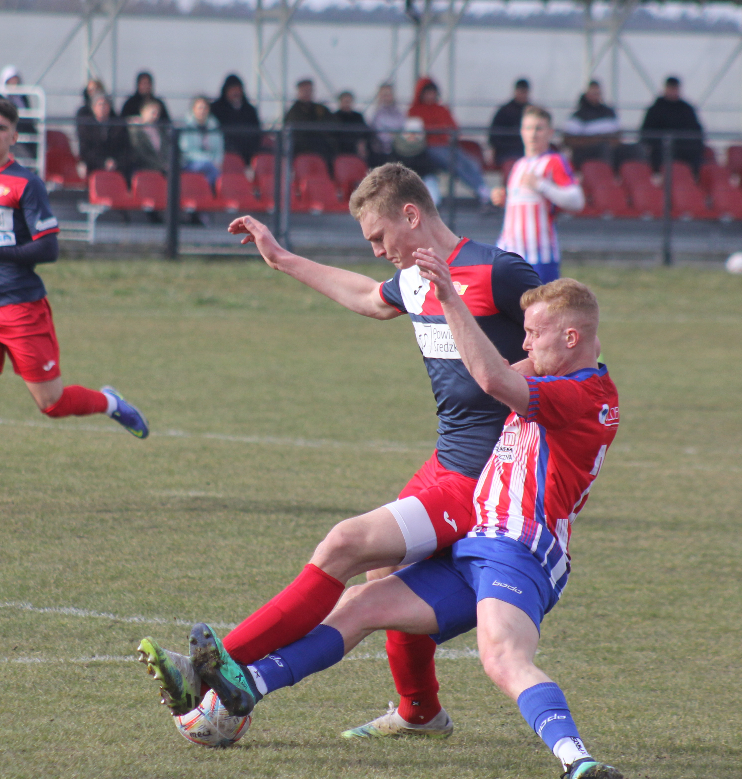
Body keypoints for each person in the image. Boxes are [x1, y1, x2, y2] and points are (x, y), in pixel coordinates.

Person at [163, 274, 622, 779]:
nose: (527, 343)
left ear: (571, 339)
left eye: (535, 333)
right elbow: (500, 367)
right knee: (361, 604)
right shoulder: (559, 372)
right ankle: (247, 685)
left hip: (518, 550)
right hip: (475, 544)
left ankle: (577, 761)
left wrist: (449, 297)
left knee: (502, 658)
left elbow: (493, 378)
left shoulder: (581, 396)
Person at [139, 163, 541, 738]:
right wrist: (281, 259)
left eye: (379, 237)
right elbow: (367, 297)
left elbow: (559, 342)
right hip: (443, 464)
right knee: (383, 572)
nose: (376, 251)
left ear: (412, 214)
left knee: (347, 542)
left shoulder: (498, 271)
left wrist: (514, 378)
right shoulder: (414, 279)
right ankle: (419, 712)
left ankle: (211, 668)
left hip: (485, 480)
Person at [0, 97, 150, 515]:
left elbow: (49, 248)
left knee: (52, 404)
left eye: (1, 129)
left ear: (13, 137)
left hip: (21, 307)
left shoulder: (26, 184)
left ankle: (111, 403)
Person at [493, 106, 585, 283]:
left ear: (550, 132)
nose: (533, 134)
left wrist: (542, 186)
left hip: (540, 256)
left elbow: (576, 201)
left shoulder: (554, 162)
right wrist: (505, 199)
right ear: (521, 131)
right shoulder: (518, 165)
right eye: (528, 128)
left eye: (539, 128)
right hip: (509, 253)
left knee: (542, 309)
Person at [409, 77, 502, 206]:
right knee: (455, 164)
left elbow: (454, 127)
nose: (430, 95)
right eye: (427, 93)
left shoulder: (442, 109)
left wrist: (444, 134)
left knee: (470, 162)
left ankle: (483, 189)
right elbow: (415, 134)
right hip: (430, 148)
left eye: (432, 92)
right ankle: (482, 191)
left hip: (448, 146)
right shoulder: (414, 111)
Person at [639, 76, 704, 175]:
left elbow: (697, 131)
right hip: (661, 150)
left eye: (675, 88)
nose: (673, 91)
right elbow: (646, 132)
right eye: (671, 88)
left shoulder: (687, 109)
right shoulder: (655, 109)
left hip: (686, 151)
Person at [562, 81, 620, 170]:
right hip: (585, 152)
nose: (596, 96)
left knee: (635, 148)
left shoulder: (609, 113)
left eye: (598, 93)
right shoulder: (578, 116)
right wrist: (597, 140)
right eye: (593, 93)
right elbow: (569, 140)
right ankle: (606, 176)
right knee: (604, 148)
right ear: (586, 94)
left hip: (611, 148)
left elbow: (618, 134)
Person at [76, 93, 132, 179]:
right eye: (99, 104)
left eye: (105, 104)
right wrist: (103, 163)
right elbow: (85, 150)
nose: (102, 107)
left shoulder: (118, 126)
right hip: (94, 166)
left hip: (117, 167)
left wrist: (115, 162)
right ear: (93, 108)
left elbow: (126, 148)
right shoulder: (87, 126)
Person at [209, 73, 261, 164]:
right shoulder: (216, 109)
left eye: (238, 89)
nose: (235, 92)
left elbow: (257, 132)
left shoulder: (250, 110)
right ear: (226, 91)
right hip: (224, 152)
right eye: (232, 89)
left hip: (247, 153)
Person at [284, 79, 335, 164]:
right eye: (305, 90)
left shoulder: (320, 109)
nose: (307, 93)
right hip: (302, 149)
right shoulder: (294, 111)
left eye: (310, 90)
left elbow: (332, 123)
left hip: (322, 149)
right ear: (299, 92)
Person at [179, 95, 223, 187]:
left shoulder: (214, 126)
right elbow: (186, 150)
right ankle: (209, 191)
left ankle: (207, 193)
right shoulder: (186, 126)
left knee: (213, 169)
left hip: (211, 163)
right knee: (209, 167)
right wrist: (206, 160)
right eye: (200, 108)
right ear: (193, 109)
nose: (202, 111)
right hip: (190, 162)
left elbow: (219, 149)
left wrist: (217, 161)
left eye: (205, 108)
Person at [0, 65, 38, 158]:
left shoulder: (23, 97)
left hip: (26, 133)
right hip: (10, 135)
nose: (14, 84)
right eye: (11, 81)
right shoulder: (1, 99)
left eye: (16, 81)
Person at [488, 79, 530, 165]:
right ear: (515, 91)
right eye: (521, 91)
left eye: (525, 92)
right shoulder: (504, 111)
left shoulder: (531, 112)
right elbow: (493, 137)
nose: (523, 95)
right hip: (507, 153)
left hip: (527, 151)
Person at [366, 83, 405, 166]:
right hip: (379, 149)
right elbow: (375, 129)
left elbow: (402, 126)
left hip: (397, 147)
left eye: (389, 94)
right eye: (384, 95)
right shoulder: (374, 112)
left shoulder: (399, 111)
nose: (386, 97)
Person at [127, 100, 167, 174]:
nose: (155, 116)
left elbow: (166, 148)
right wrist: (159, 165)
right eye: (153, 113)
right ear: (143, 111)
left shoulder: (160, 130)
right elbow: (141, 152)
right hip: (145, 168)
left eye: (158, 114)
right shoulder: (135, 130)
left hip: (162, 168)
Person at [333, 91, 371, 162]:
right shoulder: (335, 116)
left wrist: (362, 143)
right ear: (340, 102)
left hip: (356, 146)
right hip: (340, 147)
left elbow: (365, 132)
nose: (347, 104)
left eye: (349, 101)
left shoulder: (358, 116)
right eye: (345, 101)